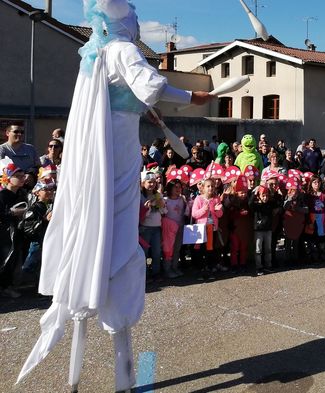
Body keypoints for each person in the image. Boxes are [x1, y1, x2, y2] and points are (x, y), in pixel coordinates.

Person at [18, 1, 214, 390]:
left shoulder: (95, 54)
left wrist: (148, 104)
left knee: (97, 226)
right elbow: (150, 85)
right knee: (119, 232)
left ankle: (77, 371)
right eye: (134, 16)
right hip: (118, 153)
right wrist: (192, 97)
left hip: (99, 153)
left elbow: (131, 92)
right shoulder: (123, 50)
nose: (139, 21)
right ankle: (120, 364)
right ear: (122, 20)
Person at [0, 161, 28, 298]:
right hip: (5, 232)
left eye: (23, 176)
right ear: (9, 178)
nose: (23, 178)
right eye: (18, 176)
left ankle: (8, 284)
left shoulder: (22, 193)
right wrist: (12, 213)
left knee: (14, 257)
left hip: (17, 231)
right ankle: (5, 286)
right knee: (6, 257)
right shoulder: (3, 195)